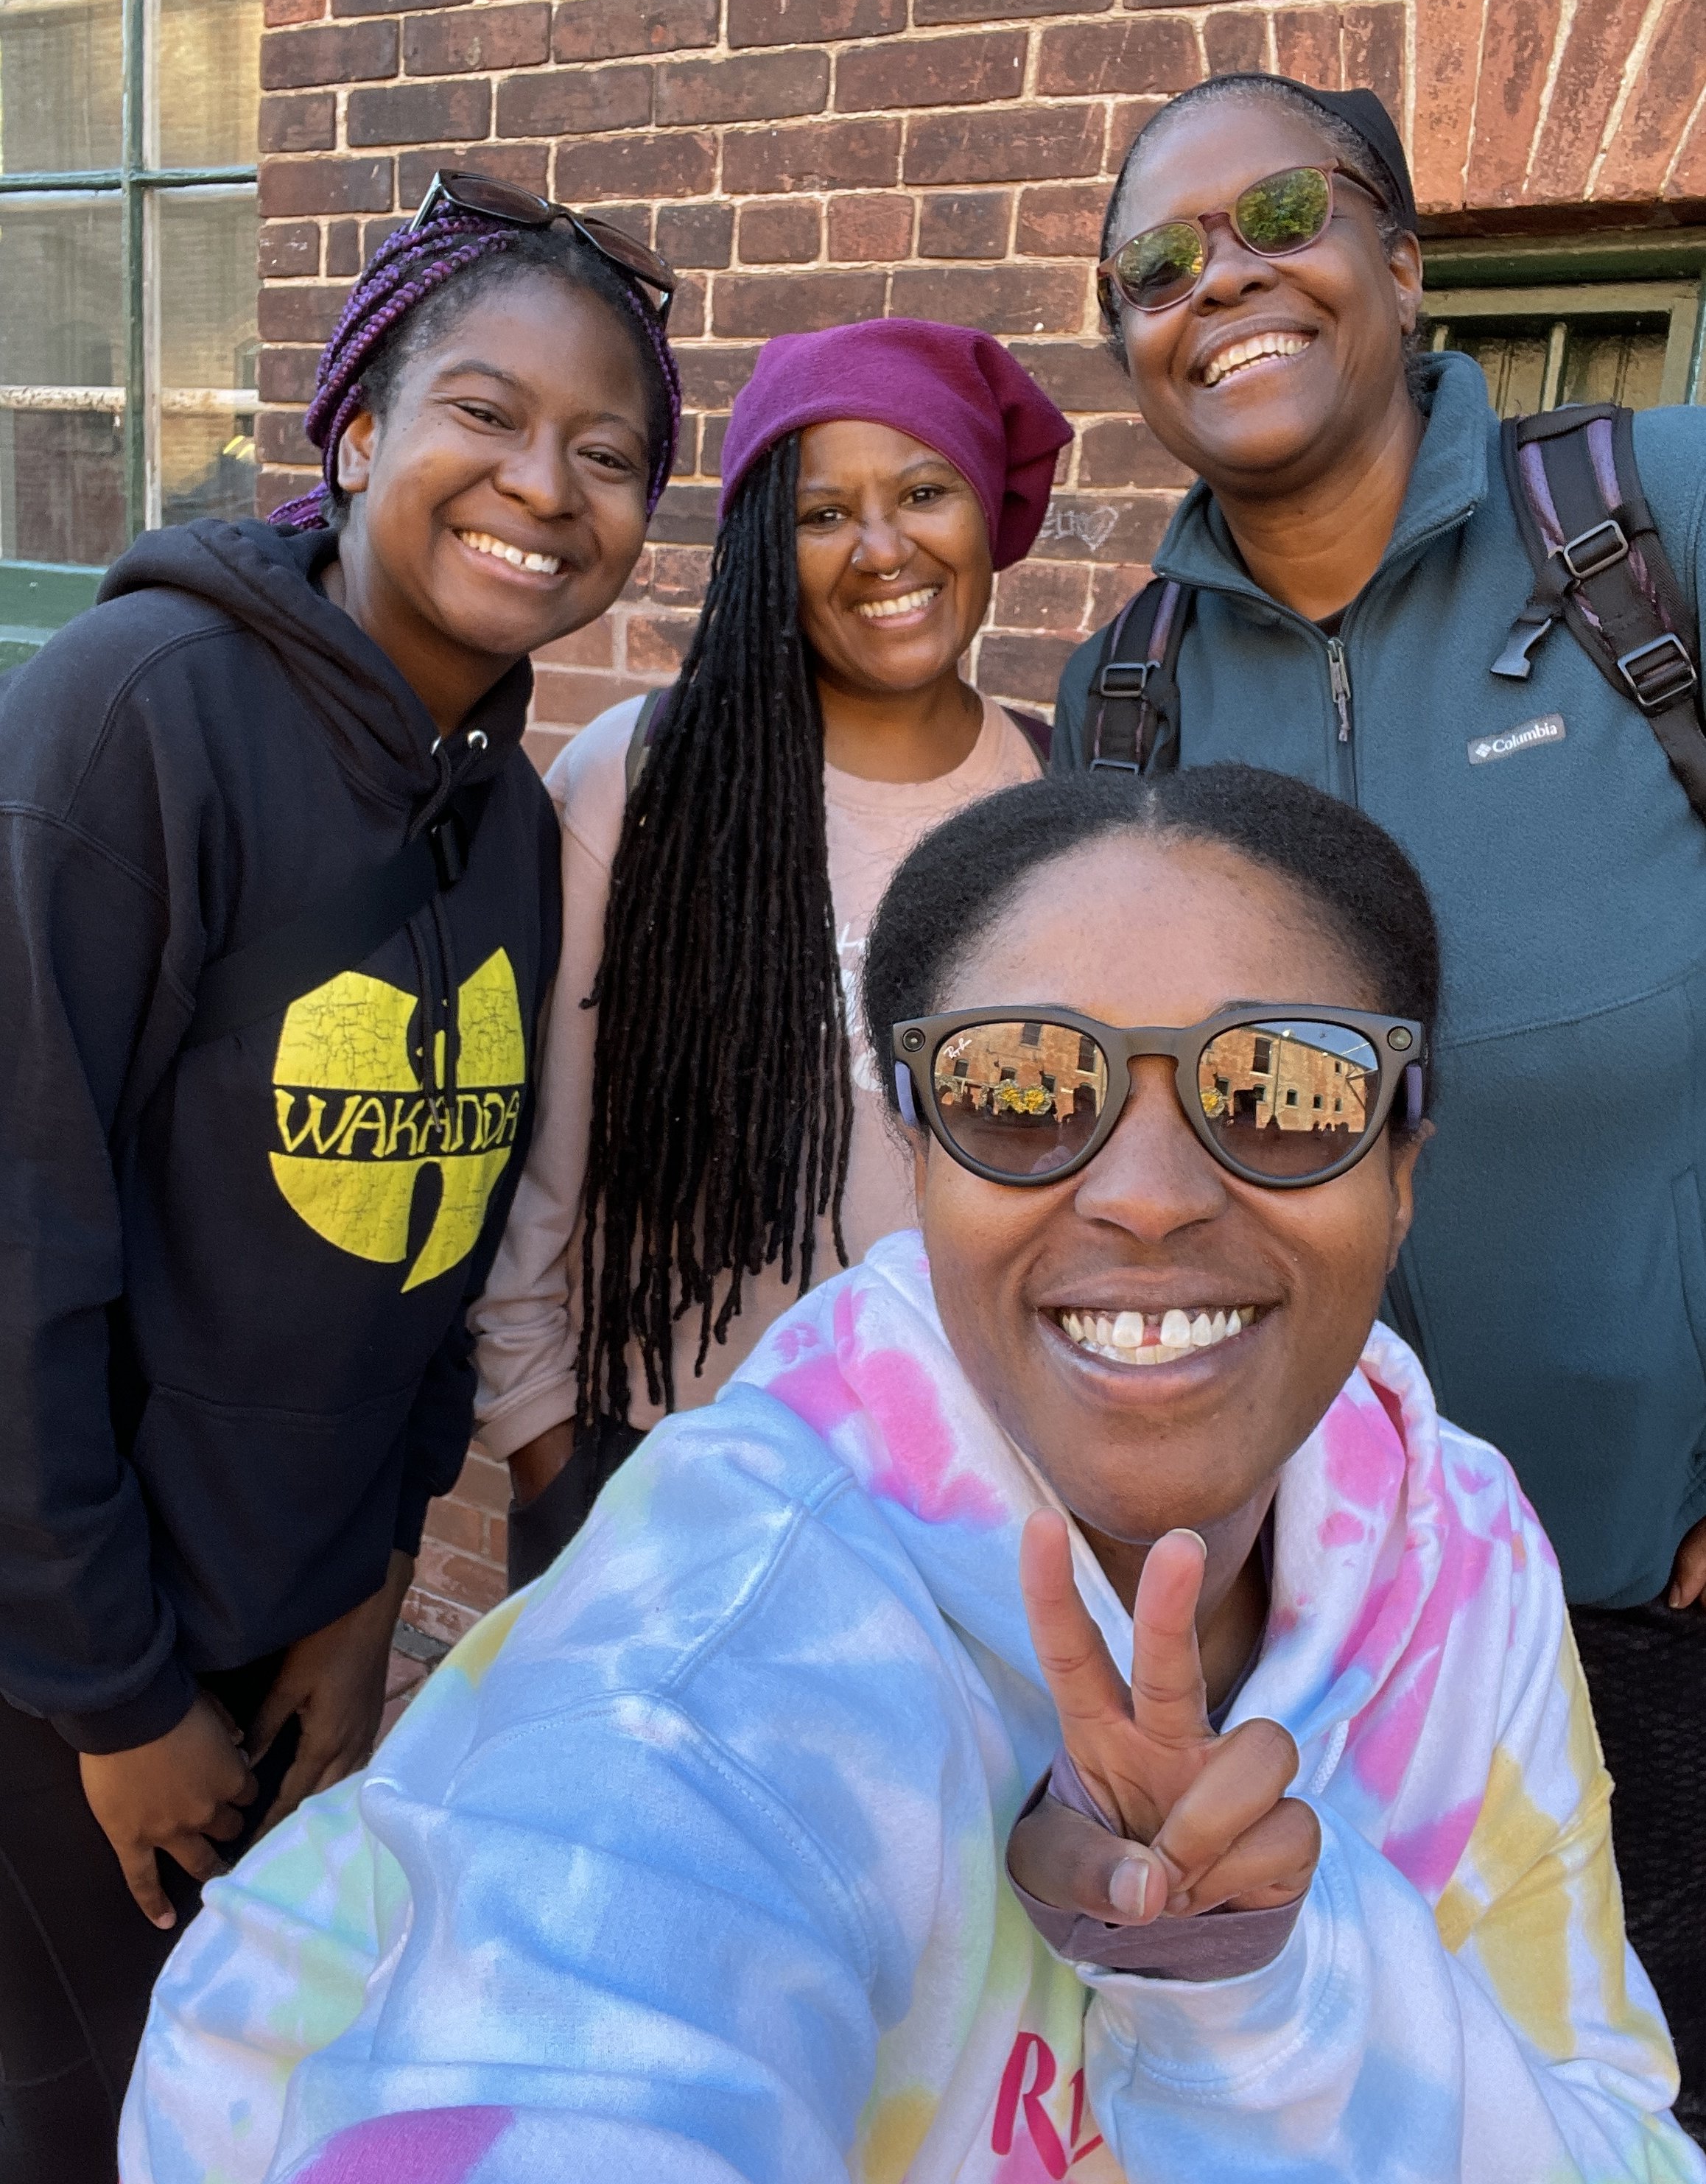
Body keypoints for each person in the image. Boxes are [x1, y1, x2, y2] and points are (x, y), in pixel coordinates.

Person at [123, 767, 1702, 2184]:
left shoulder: (1457, 1538)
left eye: (1277, 1089)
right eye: (1027, 1091)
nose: (1148, 1196)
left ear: (1403, 1166)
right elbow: (573, 2011)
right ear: (918, 1143)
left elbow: (1617, 2135)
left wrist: (1263, 1976)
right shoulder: (726, 1631)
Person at [0, 170, 679, 2181]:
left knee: (240, 2108)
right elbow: (19, 1254)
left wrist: (364, 1598)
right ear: (358, 425)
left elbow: (428, 1263)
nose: (543, 485)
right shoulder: (133, 720)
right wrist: (117, 1701)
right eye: (484, 414)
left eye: (609, 451)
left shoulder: (491, 806)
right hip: (63, 1678)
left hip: (284, 1650)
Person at [1050, 72, 1706, 2137]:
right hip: (1311, 1640)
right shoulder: (1125, 694)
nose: (1217, 281)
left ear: (1401, 264)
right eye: (1155, 265)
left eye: (1276, 217)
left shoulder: (1651, 531)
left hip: (1655, 1601)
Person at [471, 317, 1072, 1582]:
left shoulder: (1061, 799)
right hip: (662, 1478)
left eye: (924, 492)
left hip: (971, 1505)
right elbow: (539, 1169)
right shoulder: (641, 780)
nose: (883, 548)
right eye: (821, 515)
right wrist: (550, 1458)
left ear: (984, 516)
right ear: (760, 554)